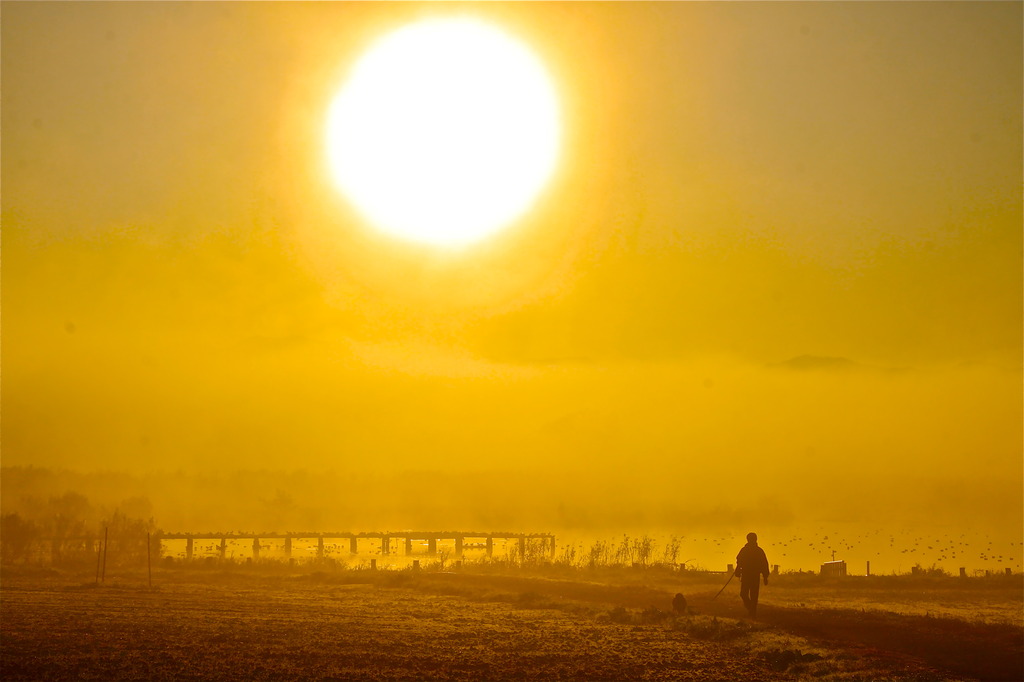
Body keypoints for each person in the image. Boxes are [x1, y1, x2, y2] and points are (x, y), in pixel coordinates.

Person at [735, 532, 769, 617]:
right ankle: (751, 608)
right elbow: (739, 562)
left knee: (753, 595)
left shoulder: (758, 551)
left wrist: (765, 576)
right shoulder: (746, 550)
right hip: (747, 575)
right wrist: (738, 570)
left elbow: (764, 564)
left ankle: (752, 611)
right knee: (744, 593)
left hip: (753, 575)